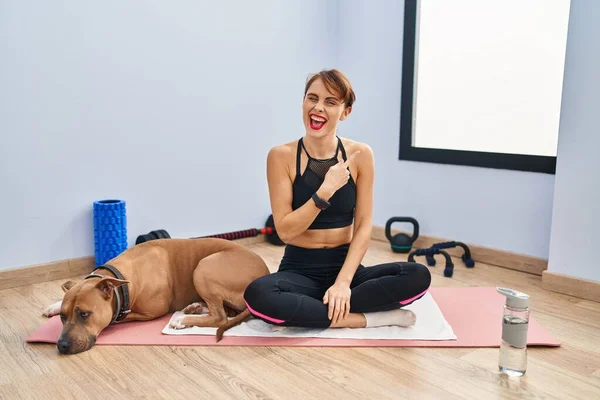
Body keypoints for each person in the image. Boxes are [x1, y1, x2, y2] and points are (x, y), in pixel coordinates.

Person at [243, 69, 431, 329]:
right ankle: (368, 319)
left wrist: (343, 283)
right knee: (258, 296)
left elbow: (364, 225)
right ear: (303, 102)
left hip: (347, 267)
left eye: (330, 102)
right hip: (299, 270)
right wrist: (324, 192)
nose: (318, 107)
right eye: (312, 98)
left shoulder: (361, 155)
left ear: (345, 112)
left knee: (417, 275)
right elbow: (285, 231)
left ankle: (316, 310)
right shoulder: (281, 156)